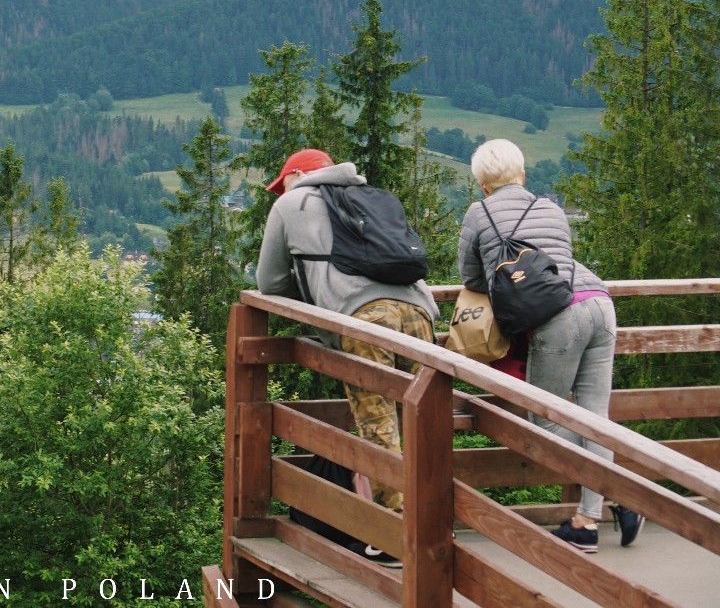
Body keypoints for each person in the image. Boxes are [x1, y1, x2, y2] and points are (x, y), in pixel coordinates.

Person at [257, 148, 437, 565]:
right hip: (421, 314)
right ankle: (432, 525)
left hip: (364, 320)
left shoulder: (292, 201)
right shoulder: (369, 196)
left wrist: (318, 296)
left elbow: (269, 281)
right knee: (423, 424)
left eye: (279, 183)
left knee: (377, 423)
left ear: (297, 175)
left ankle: (395, 536)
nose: (276, 193)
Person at [459, 138, 639, 553]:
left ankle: (624, 495)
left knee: (547, 419)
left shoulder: (478, 212)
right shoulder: (551, 208)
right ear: (522, 174)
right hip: (599, 301)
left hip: (560, 319)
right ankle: (588, 521)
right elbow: (560, 264)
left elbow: (471, 278)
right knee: (595, 417)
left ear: (483, 185)